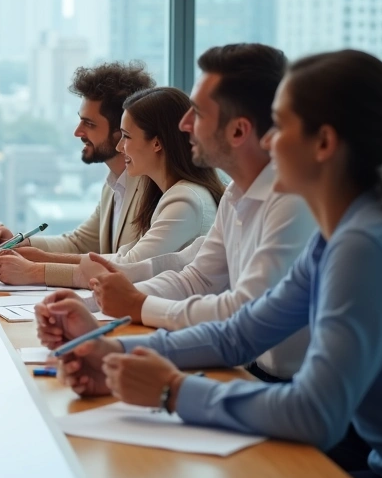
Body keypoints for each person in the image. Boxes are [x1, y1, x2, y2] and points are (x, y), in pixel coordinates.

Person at [54, 50, 382, 478]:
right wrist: (114, 355)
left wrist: (171, 391)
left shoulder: (366, 245)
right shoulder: (339, 235)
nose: (269, 140)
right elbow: (240, 333)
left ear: (324, 143)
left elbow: (314, 414)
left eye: (280, 125)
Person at [62, 44, 317, 382]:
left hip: (283, 381)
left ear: (238, 130)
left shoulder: (291, 203)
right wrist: (94, 308)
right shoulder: (235, 194)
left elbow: (242, 315)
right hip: (249, 370)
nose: (184, 125)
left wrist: (136, 307)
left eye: (197, 112)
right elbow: (195, 279)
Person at [0, 87, 222, 287]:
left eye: (127, 136)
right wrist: (37, 257)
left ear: (157, 143)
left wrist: (36, 270)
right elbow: (120, 257)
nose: (120, 147)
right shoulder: (167, 193)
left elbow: (129, 267)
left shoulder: (185, 200)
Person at [0, 62, 154, 286]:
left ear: (122, 130)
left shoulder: (152, 189)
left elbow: (129, 265)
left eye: (89, 124)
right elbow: (79, 243)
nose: (77, 132)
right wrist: (18, 242)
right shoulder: (114, 185)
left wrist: (36, 269)